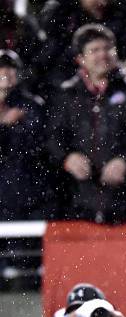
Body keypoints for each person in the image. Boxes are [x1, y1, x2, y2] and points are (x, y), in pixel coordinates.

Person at [46, 24, 126, 224]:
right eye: (95, 50)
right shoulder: (66, 94)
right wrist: (67, 158)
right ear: (80, 58)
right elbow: (51, 137)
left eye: (108, 49)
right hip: (77, 206)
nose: (103, 55)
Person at [0, 49, 48, 221]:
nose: (5, 72)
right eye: (1, 67)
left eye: (11, 67)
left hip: (27, 193)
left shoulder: (32, 105)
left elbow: (34, 147)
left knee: (27, 247)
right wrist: (4, 125)